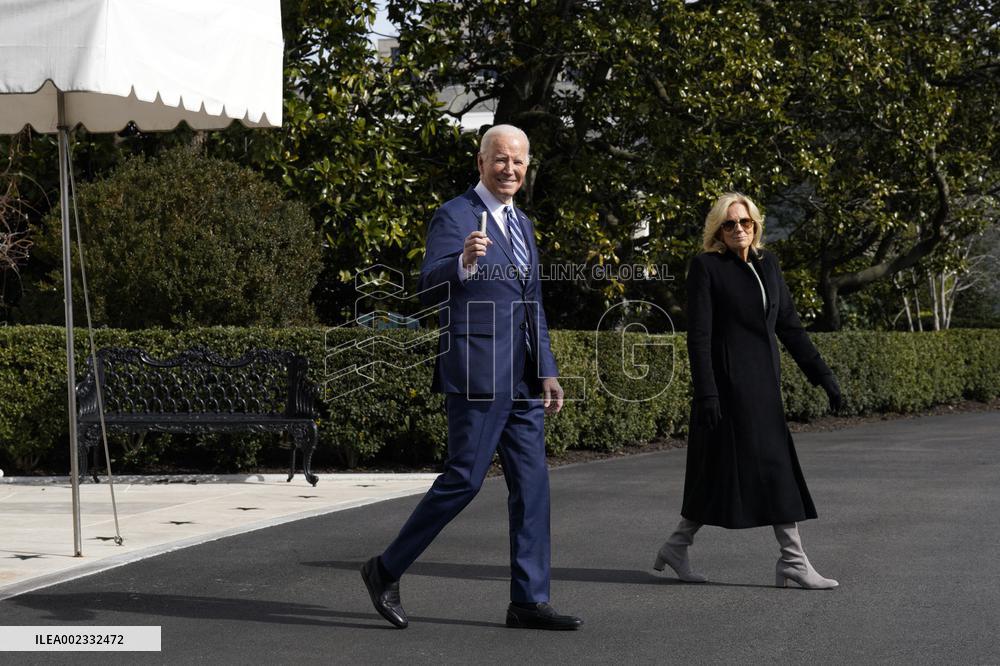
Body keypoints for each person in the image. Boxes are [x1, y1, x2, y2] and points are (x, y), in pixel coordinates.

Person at [361, 124, 582, 630]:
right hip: (477, 373)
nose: (510, 169)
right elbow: (425, 287)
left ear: (527, 168)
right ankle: (385, 568)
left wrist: (547, 369)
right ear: (480, 163)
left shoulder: (522, 224)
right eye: (501, 159)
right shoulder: (455, 214)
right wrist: (461, 262)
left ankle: (528, 600)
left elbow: (533, 304)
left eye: (519, 162)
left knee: (533, 487)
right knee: (464, 481)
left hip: (524, 380)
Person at [654, 192, 842, 590]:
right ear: (717, 231)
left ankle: (676, 545)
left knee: (720, 471)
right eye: (729, 224)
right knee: (770, 467)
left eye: (745, 223)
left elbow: (788, 325)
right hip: (727, 387)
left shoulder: (767, 264)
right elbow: (699, 336)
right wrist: (706, 392)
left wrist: (822, 374)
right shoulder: (707, 267)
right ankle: (793, 560)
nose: (739, 229)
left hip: (763, 386)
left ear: (755, 226)